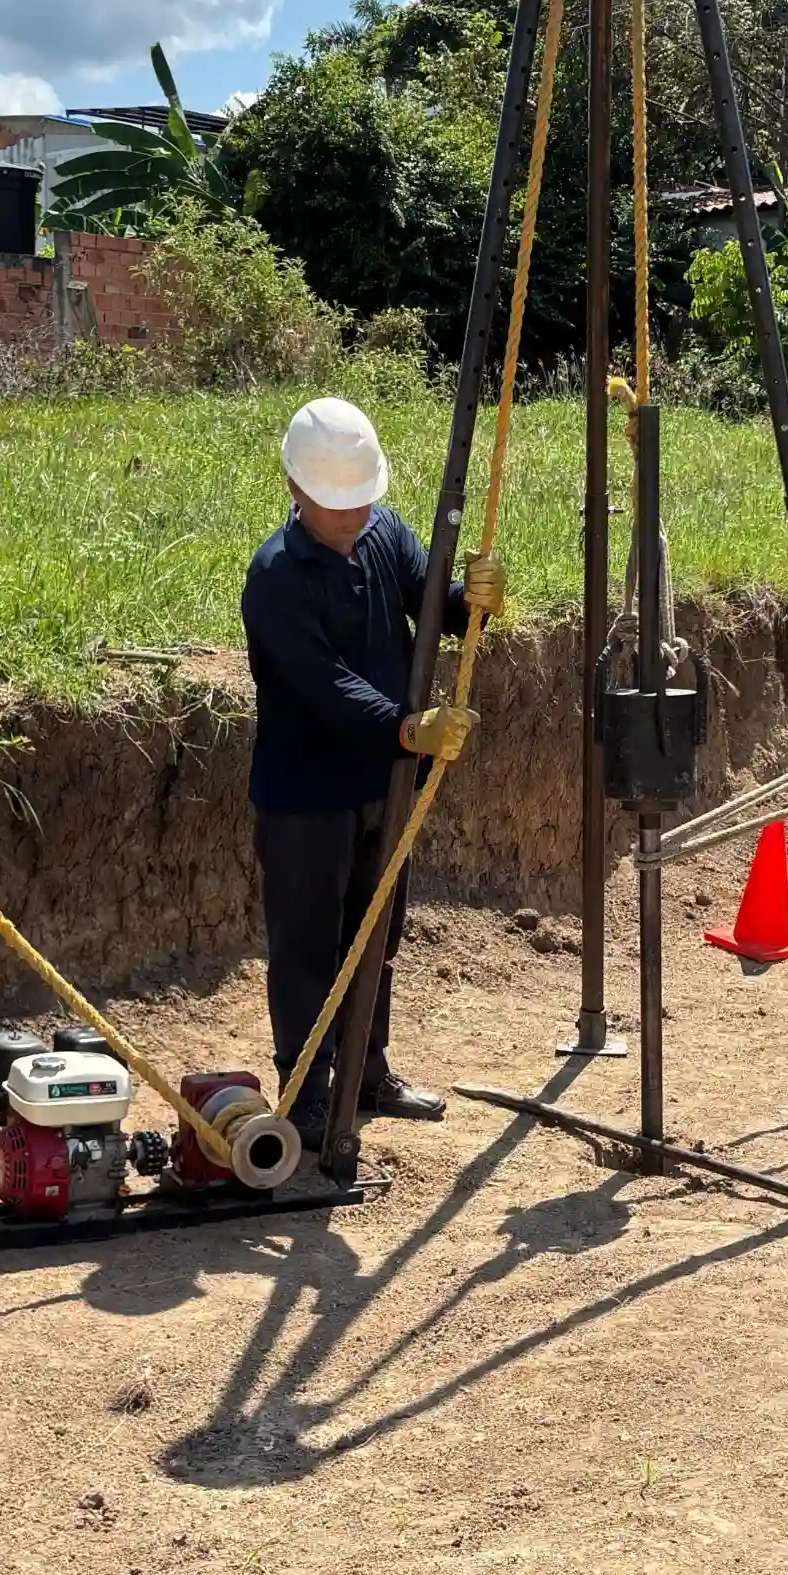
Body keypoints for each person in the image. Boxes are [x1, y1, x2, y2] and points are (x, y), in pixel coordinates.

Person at [241, 396, 506, 1147]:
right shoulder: (275, 578)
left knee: (376, 934)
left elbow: (433, 604)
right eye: (337, 502)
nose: (353, 513)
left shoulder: (384, 533)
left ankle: (366, 1071)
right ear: (296, 489)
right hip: (307, 795)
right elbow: (323, 687)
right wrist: (405, 727)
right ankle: (306, 1091)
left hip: (385, 785)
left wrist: (470, 599)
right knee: (307, 951)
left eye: (361, 497)